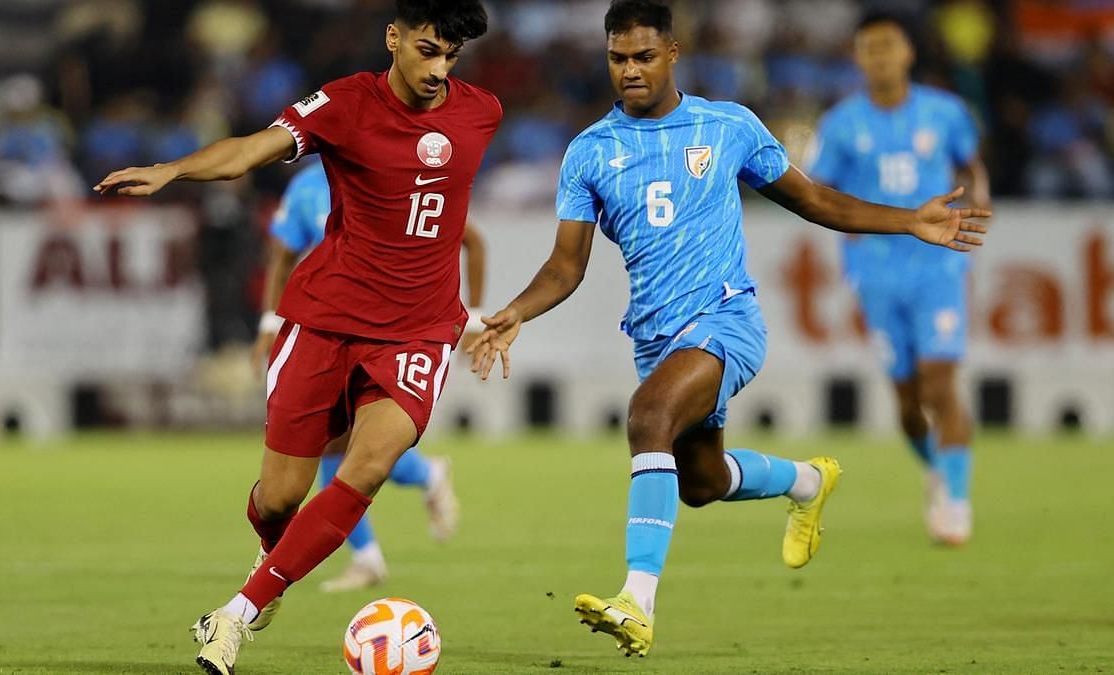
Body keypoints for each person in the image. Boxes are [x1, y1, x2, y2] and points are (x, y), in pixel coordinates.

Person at [467, 0, 988, 658]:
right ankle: (806, 480)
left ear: (673, 54)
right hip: (658, 340)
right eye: (618, 59)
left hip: (726, 321)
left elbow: (817, 200)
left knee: (647, 415)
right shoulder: (589, 153)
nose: (630, 70)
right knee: (701, 481)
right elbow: (565, 266)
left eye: (644, 57)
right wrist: (515, 310)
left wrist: (907, 218)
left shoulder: (727, 127)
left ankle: (636, 599)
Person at [94, 1, 499, 672]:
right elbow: (251, 150)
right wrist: (174, 170)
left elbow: (463, 230)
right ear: (393, 38)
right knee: (278, 498)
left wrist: (474, 313)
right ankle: (272, 559)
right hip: (325, 320)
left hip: (418, 333)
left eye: (451, 56)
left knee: (365, 467)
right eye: (428, 50)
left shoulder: (481, 110)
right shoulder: (343, 105)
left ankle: (236, 615)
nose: (440, 68)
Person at [252, 159, 490, 591]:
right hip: (332, 333)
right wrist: (271, 324)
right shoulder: (307, 187)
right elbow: (284, 254)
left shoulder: (395, 172)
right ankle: (420, 485)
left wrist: (472, 315)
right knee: (342, 450)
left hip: (396, 336)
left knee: (351, 450)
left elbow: (471, 239)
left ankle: (369, 552)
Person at [807, 13, 990, 546]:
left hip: (939, 267)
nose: (880, 56)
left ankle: (955, 502)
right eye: (869, 48)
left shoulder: (946, 112)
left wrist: (979, 196)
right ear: (858, 57)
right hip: (877, 274)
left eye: (889, 46)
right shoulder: (841, 124)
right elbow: (821, 193)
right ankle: (937, 467)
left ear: (909, 52)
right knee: (908, 403)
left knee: (940, 384)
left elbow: (970, 166)